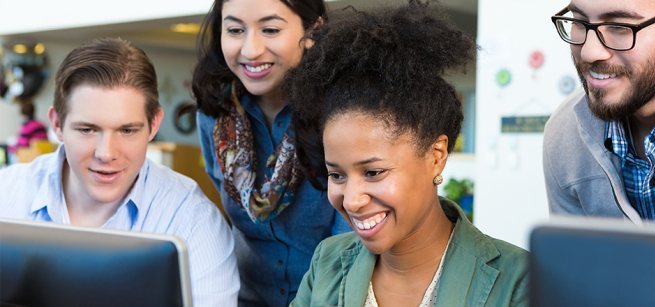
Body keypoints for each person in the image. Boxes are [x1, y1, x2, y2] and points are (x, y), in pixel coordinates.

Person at [284, 2, 528, 306]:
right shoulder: (327, 263)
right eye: (337, 175)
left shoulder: (519, 280)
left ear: (436, 156)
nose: (351, 200)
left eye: (373, 172)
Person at [0, 38, 239, 306]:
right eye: (87, 130)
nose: (106, 153)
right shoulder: (6, 194)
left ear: (154, 124)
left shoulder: (191, 219)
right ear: (57, 124)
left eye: (127, 131)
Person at [192, 0, 351, 306]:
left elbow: (351, 244)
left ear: (313, 31)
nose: (250, 50)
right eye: (235, 30)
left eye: (270, 29)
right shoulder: (214, 117)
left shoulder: (344, 112)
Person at [544, 0, 655, 223]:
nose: (588, 52)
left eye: (620, 26)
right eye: (579, 21)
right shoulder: (564, 134)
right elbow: (576, 255)